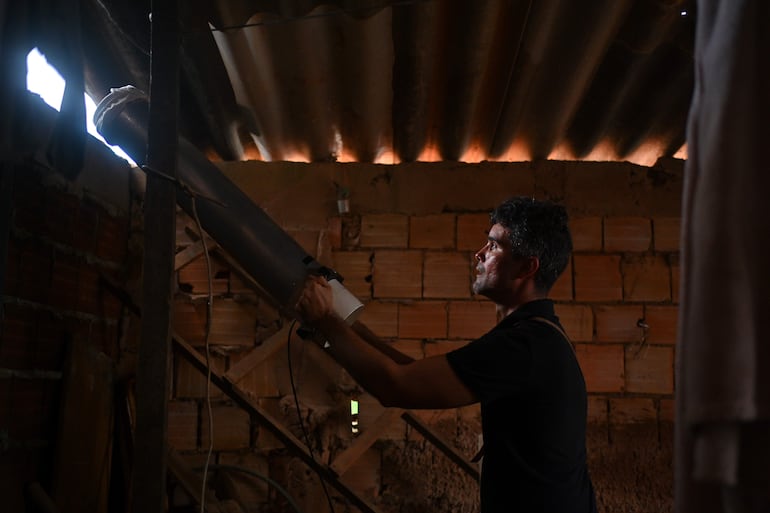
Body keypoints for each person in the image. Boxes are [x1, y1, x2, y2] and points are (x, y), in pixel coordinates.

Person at [294, 196, 597, 513]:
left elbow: (395, 386)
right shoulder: (538, 334)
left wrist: (326, 321)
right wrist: (350, 329)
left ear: (527, 266)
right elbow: (413, 372)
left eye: (493, 246)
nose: (478, 254)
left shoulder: (523, 347)